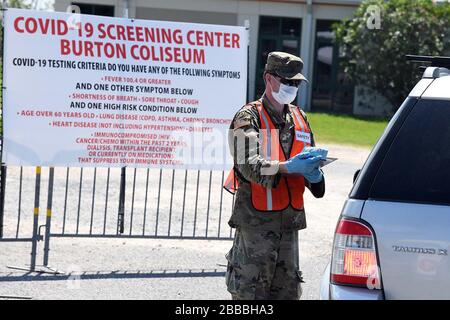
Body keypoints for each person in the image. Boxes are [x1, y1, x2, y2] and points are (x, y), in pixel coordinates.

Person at [223, 51, 327, 300]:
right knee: (251, 296)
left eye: (296, 83)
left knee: (288, 294)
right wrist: (289, 167)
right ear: (269, 78)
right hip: (256, 228)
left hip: (289, 228)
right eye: (287, 81)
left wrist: (315, 175)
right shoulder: (248, 117)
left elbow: (309, 163)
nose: (292, 87)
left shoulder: (300, 118)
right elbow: (249, 165)